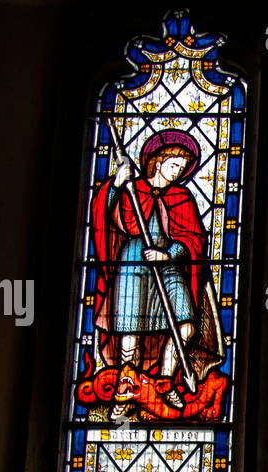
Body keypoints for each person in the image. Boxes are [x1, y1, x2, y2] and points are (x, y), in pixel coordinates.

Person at [91, 129, 215, 413]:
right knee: (130, 329)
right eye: (173, 166)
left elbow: (195, 239)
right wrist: (116, 186)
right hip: (134, 262)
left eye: (181, 169)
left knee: (186, 326)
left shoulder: (181, 198)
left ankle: (164, 381)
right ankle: (126, 389)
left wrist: (169, 252)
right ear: (157, 162)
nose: (177, 172)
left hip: (169, 266)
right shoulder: (134, 190)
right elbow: (103, 216)